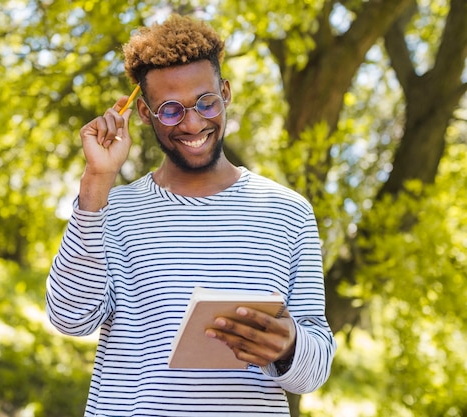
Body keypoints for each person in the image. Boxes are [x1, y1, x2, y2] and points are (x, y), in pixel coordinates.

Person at [46, 14, 336, 417]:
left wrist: (289, 348)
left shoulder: (287, 212)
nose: (194, 122)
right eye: (170, 110)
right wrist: (97, 180)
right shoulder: (113, 211)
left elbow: (315, 369)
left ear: (226, 93)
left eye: (206, 102)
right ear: (144, 115)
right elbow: (69, 319)